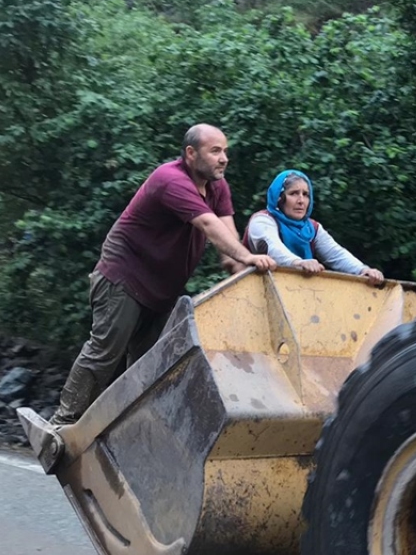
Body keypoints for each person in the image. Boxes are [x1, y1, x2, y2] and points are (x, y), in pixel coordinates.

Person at [50, 124, 277, 427]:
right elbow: (208, 226)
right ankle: (62, 423)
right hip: (125, 276)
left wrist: (242, 271)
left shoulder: (217, 186)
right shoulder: (171, 179)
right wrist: (248, 256)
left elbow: (227, 239)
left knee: (150, 366)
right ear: (191, 153)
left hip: (163, 288)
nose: (224, 158)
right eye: (215, 151)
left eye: (225, 151)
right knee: (105, 352)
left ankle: (124, 431)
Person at [244, 169, 384, 284]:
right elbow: (273, 248)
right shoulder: (262, 221)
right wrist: (298, 263)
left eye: (305, 195)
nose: (301, 201)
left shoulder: (312, 228)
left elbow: (336, 254)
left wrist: (363, 270)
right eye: (293, 193)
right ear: (279, 198)